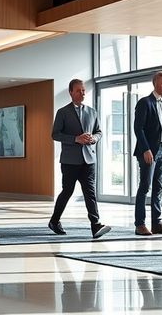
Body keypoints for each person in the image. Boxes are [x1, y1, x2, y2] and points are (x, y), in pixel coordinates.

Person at [49, 79, 111, 239]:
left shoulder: (92, 111)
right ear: (71, 92)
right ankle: (54, 221)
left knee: (90, 192)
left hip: (89, 159)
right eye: (78, 90)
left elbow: (99, 131)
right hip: (70, 161)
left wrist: (94, 139)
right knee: (67, 191)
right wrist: (75, 139)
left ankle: (95, 225)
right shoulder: (62, 112)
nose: (82, 93)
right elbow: (55, 134)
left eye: (83, 90)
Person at [133, 71, 162, 236]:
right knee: (145, 187)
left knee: (159, 188)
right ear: (155, 84)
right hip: (149, 151)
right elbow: (138, 128)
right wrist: (145, 149)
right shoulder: (145, 102)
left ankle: (157, 223)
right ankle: (140, 224)